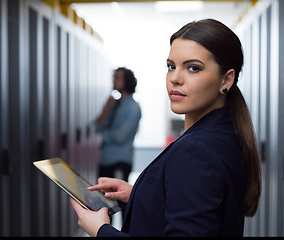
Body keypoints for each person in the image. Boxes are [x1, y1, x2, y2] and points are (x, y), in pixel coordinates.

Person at [71, 19, 261, 237]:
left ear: (226, 79)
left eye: (193, 68)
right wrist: (142, 194)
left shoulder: (196, 150)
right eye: (171, 66)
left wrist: (101, 230)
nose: (175, 79)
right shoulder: (225, 132)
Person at [94, 67, 141, 219]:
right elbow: (97, 125)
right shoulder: (114, 104)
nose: (114, 80)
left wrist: (105, 134)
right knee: (105, 203)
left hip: (119, 161)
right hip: (106, 159)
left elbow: (120, 136)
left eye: (118, 77)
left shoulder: (133, 107)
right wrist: (107, 108)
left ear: (127, 81)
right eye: (114, 77)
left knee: (121, 203)